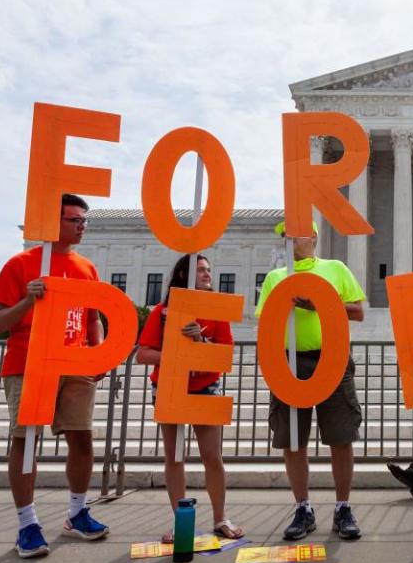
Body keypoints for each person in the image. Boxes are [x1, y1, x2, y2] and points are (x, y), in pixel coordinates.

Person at [0, 194, 110, 558]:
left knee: (82, 438)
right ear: (53, 221)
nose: (82, 226)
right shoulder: (22, 263)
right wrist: (28, 300)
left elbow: (93, 319)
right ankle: (27, 523)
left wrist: (98, 351)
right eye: (75, 220)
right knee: (26, 441)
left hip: (74, 362)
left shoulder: (86, 267)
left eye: (84, 220)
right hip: (29, 361)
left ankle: (77, 513)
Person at [255, 221, 366, 541]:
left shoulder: (335, 268)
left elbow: (358, 312)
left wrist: (320, 303)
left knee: (341, 436)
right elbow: (267, 324)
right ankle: (302, 507)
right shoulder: (277, 278)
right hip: (289, 362)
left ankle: (343, 506)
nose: (288, 238)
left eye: (295, 233)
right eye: (284, 235)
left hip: (332, 358)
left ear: (314, 237)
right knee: (293, 438)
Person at [136, 254, 244, 543]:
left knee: (212, 456)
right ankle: (179, 521)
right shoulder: (162, 312)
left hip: (206, 386)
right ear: (183, 275)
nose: (207, 274)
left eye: (209, 269)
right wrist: (179, 357)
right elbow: (143, 354)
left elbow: (224, 356)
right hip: (170, 386)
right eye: (200, 270)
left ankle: (220, 518)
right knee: (174, 456)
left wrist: (200, 342)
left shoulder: (217, 312)